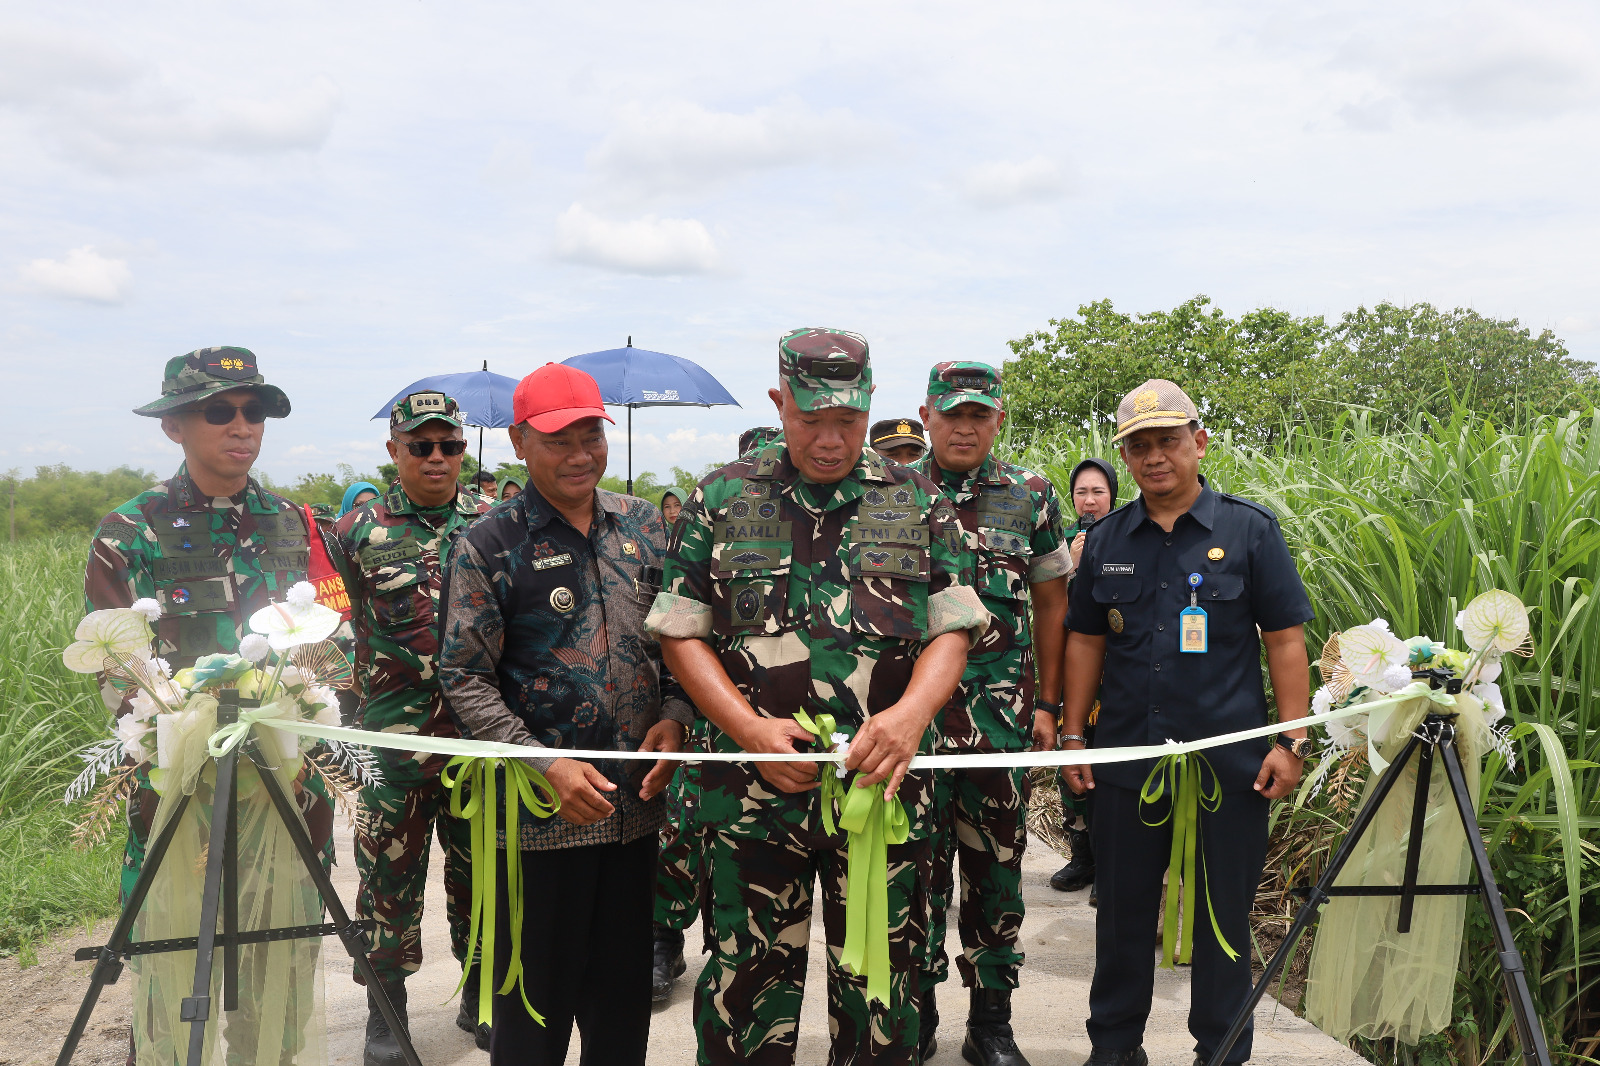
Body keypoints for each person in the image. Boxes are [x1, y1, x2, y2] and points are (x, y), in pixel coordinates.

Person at [646, 327, 989, 1066]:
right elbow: (681, 629)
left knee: (880, 1003)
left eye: (848, 421)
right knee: (744, 1005)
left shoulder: (918, 501)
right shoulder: (724, 496)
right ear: (779, 402)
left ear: (869, 407)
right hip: (752, 801)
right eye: (811, 421)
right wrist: (745, 729)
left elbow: (953, 630)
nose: (831, 440)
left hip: (881, 792)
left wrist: (908, 717)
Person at [437, 362, 692, 1066]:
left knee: (621, 1011)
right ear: (520, 442)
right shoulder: (489, 545)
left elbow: (678, 641)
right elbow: (463, 675)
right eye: (559, 441)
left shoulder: (642, 527)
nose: (581, 455)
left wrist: (673, 711)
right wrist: (544, 762)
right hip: (539, 824)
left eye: (591, 437)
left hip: (633, 810)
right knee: (533, 1017)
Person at [86, 346, 336, 1062]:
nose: (242, 425)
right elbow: (117, 664)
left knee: (278, 971)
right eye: (219, 411)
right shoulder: (131, 529)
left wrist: (305, 719)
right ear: (175, 426)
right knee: (172, 981)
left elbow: (326, 642)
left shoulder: (295, 522)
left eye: (254, 410)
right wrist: (189, 730)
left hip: (284, 783)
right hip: (181, 787)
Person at [1060, 379, 1313, 1066]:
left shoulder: (1249, 531)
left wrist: (1292, 741)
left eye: (1168, 441)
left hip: (1228, 773)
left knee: (1223, 924)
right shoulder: (1107, 538)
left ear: (1198, 442)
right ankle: (1113, 1051)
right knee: (1120, 921)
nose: (1153, 457)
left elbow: (1285, 639)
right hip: (1125, 765)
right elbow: (1084, 639)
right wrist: (1074, 734)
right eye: (1138, 447)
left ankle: (1222, 1052)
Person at [909, 361, 1070, 1066]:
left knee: (997, 874)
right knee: (911, 875)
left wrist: (1048, 705)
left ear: (998, 419)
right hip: (911, 730)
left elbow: (1052, 604)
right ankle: (913, 1016)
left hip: (998, 728)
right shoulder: (891, 493)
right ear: (926, 417)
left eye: (980, 414)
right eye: (953, 414)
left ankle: (991, 1022)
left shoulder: (1030, 495)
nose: (965, 426)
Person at [331, 392, 495, 1064]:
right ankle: (385, 1003)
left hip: (474, 739)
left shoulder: (495, 523)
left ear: (463, 451)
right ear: (394, 451)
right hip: (392, 744)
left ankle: (482, 990)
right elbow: (333, 628)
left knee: (481, 872)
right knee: (386, 877)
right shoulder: (357, 533)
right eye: (420, 445)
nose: (435, 458)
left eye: (448, 445)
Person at [1047, 457, 1118, 897]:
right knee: (1072, 765)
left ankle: (1111, 864)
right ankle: (1082, 855)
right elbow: (1053, 610)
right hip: (1075, 674)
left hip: (1116, 677)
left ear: (1112, 494)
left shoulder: (1129, 536)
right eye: (1081, 493)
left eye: (1098, 492)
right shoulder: (1062, 541)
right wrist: (1072, 565)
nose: (1089, 501)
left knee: (1109, 769)